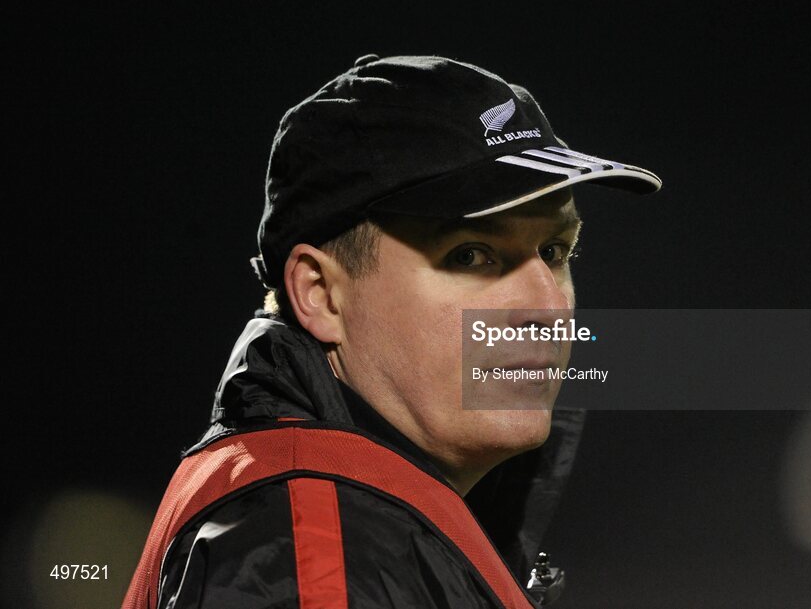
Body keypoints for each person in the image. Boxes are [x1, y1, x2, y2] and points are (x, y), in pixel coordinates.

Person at [123, 54, 661, 609]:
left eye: (553, 252)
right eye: (471, 254)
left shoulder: (346, 525)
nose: (548, 307)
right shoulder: (311, 551)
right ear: (321, 295)